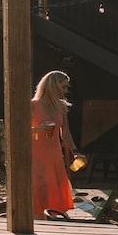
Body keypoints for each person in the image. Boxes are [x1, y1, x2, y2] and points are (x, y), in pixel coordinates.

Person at [32, 70, 77, 216]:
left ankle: (51, 220)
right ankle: (37, 220)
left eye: (66, 87)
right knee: (39, 188)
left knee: (54, 190)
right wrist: (37, 129)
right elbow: (18, 130)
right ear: (52, 86)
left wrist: (75, 152)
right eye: (63, 87)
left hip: (54, 154)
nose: (66, 90)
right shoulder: (32, 105)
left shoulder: (61, 107)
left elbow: (66, 133)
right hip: (36, 153)